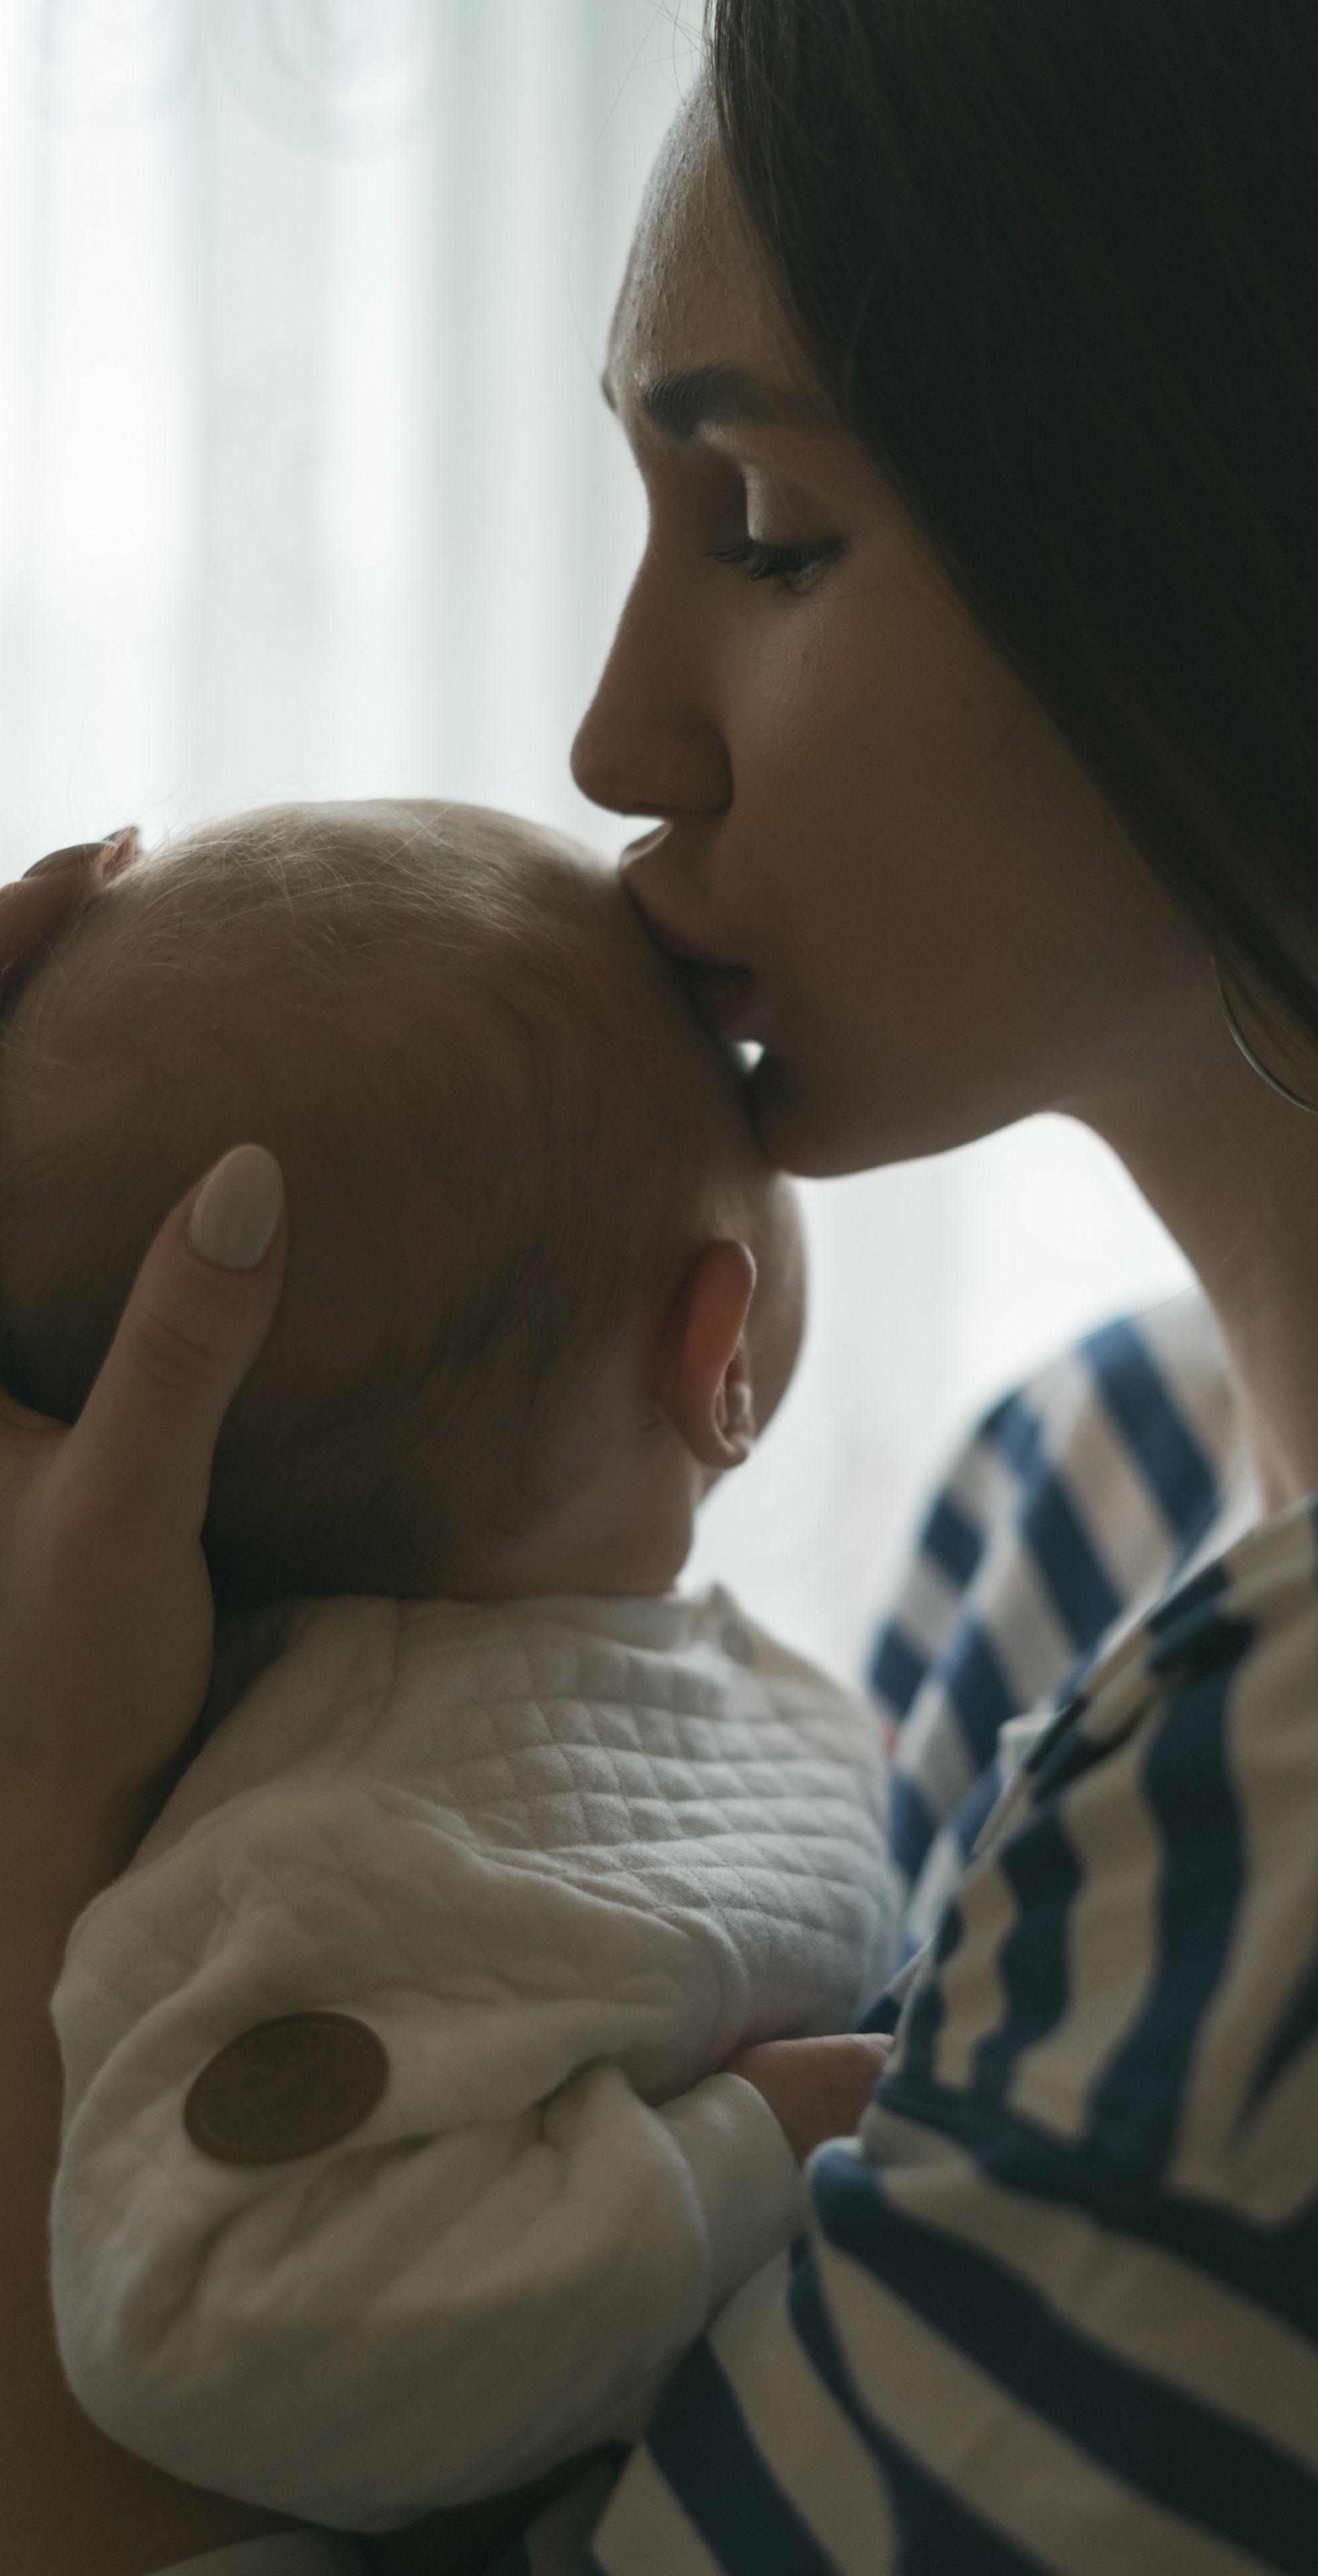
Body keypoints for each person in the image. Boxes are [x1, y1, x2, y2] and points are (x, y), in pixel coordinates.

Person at [5, 1, 1318, 2568]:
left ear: (1297, 542)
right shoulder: (1078, 1500)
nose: (611, 743)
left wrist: (34, 1817)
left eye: (774, 530)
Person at [11, 800, 895, 2532]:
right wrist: (748, 2154)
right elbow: (213, 2316)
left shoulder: (639, 1693)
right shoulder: (343, 1843)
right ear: (718, 1351)